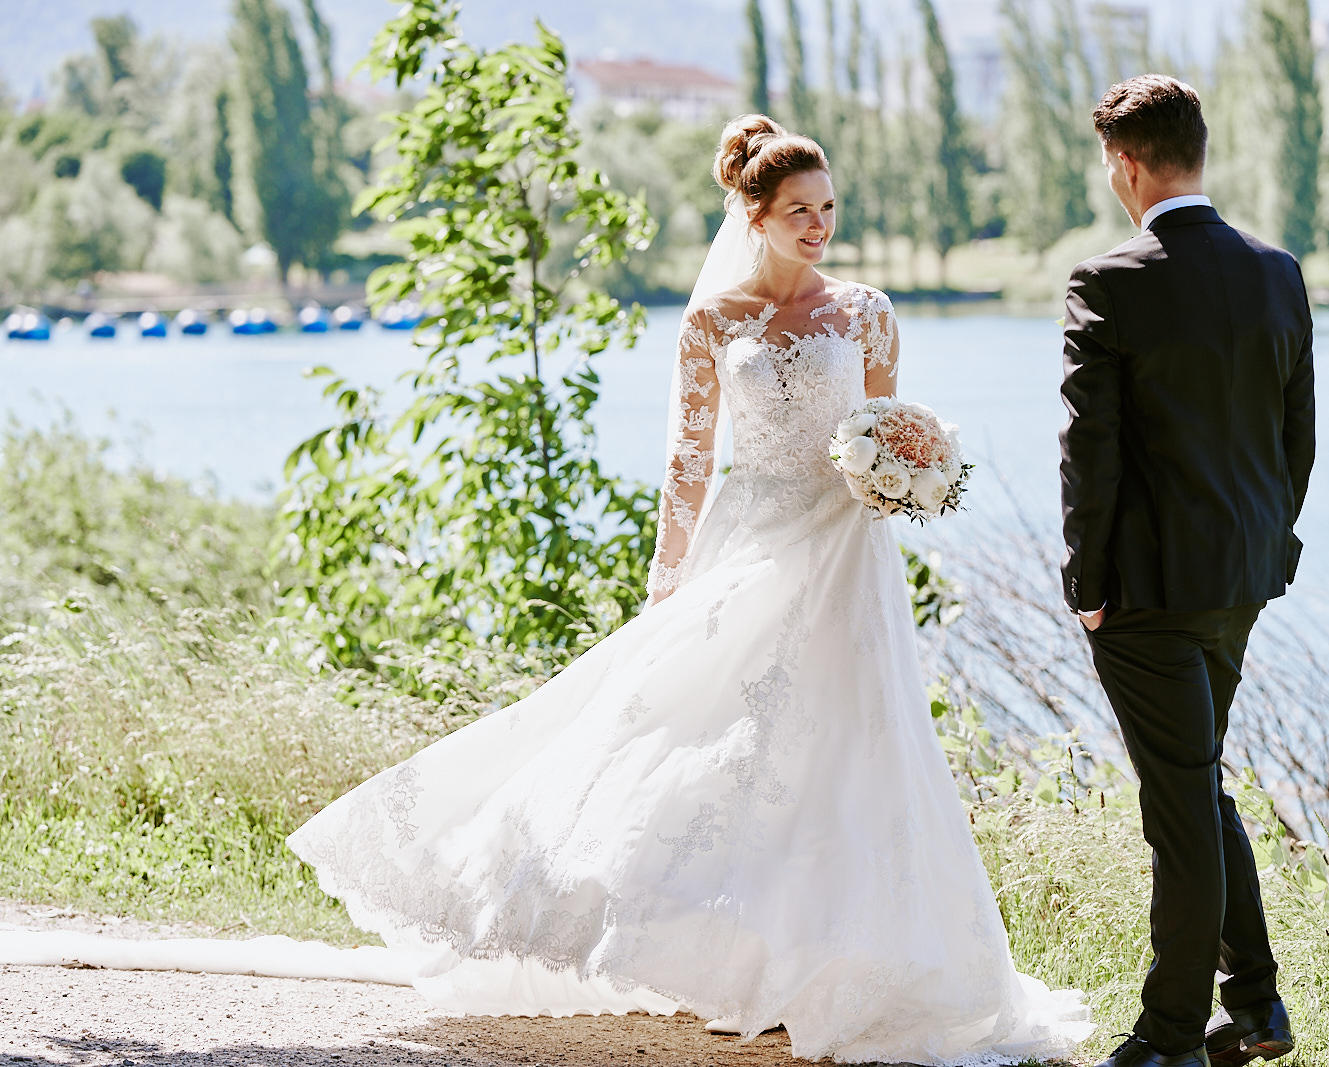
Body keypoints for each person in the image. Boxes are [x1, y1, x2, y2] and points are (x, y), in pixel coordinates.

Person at [287, 114, 1094, 1064]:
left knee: (850, 746)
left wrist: (906, 478)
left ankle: (833, 968)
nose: (819, 226)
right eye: (799, 211)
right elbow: (688, 459)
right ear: (754, 215)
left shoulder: (867, 311)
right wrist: (667, 582)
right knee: (718, 741)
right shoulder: (714, 319)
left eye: (828, 208)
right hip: (752, 537)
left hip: (847, 550)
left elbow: (884, 423)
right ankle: (716, 955)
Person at [1059, 76, 1315, 1067]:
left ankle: (1168, 1037)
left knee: (1179, 808)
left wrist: (1086, 585)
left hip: (1144, 592)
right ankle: (1254, 1008)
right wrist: (1264, 544)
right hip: (1241, 579)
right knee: (1195, 785)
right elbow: (1296, 438)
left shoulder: (1107, 280)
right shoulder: (1277, 271)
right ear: (1196, 150)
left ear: (1125, 165)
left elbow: (1089, 453)